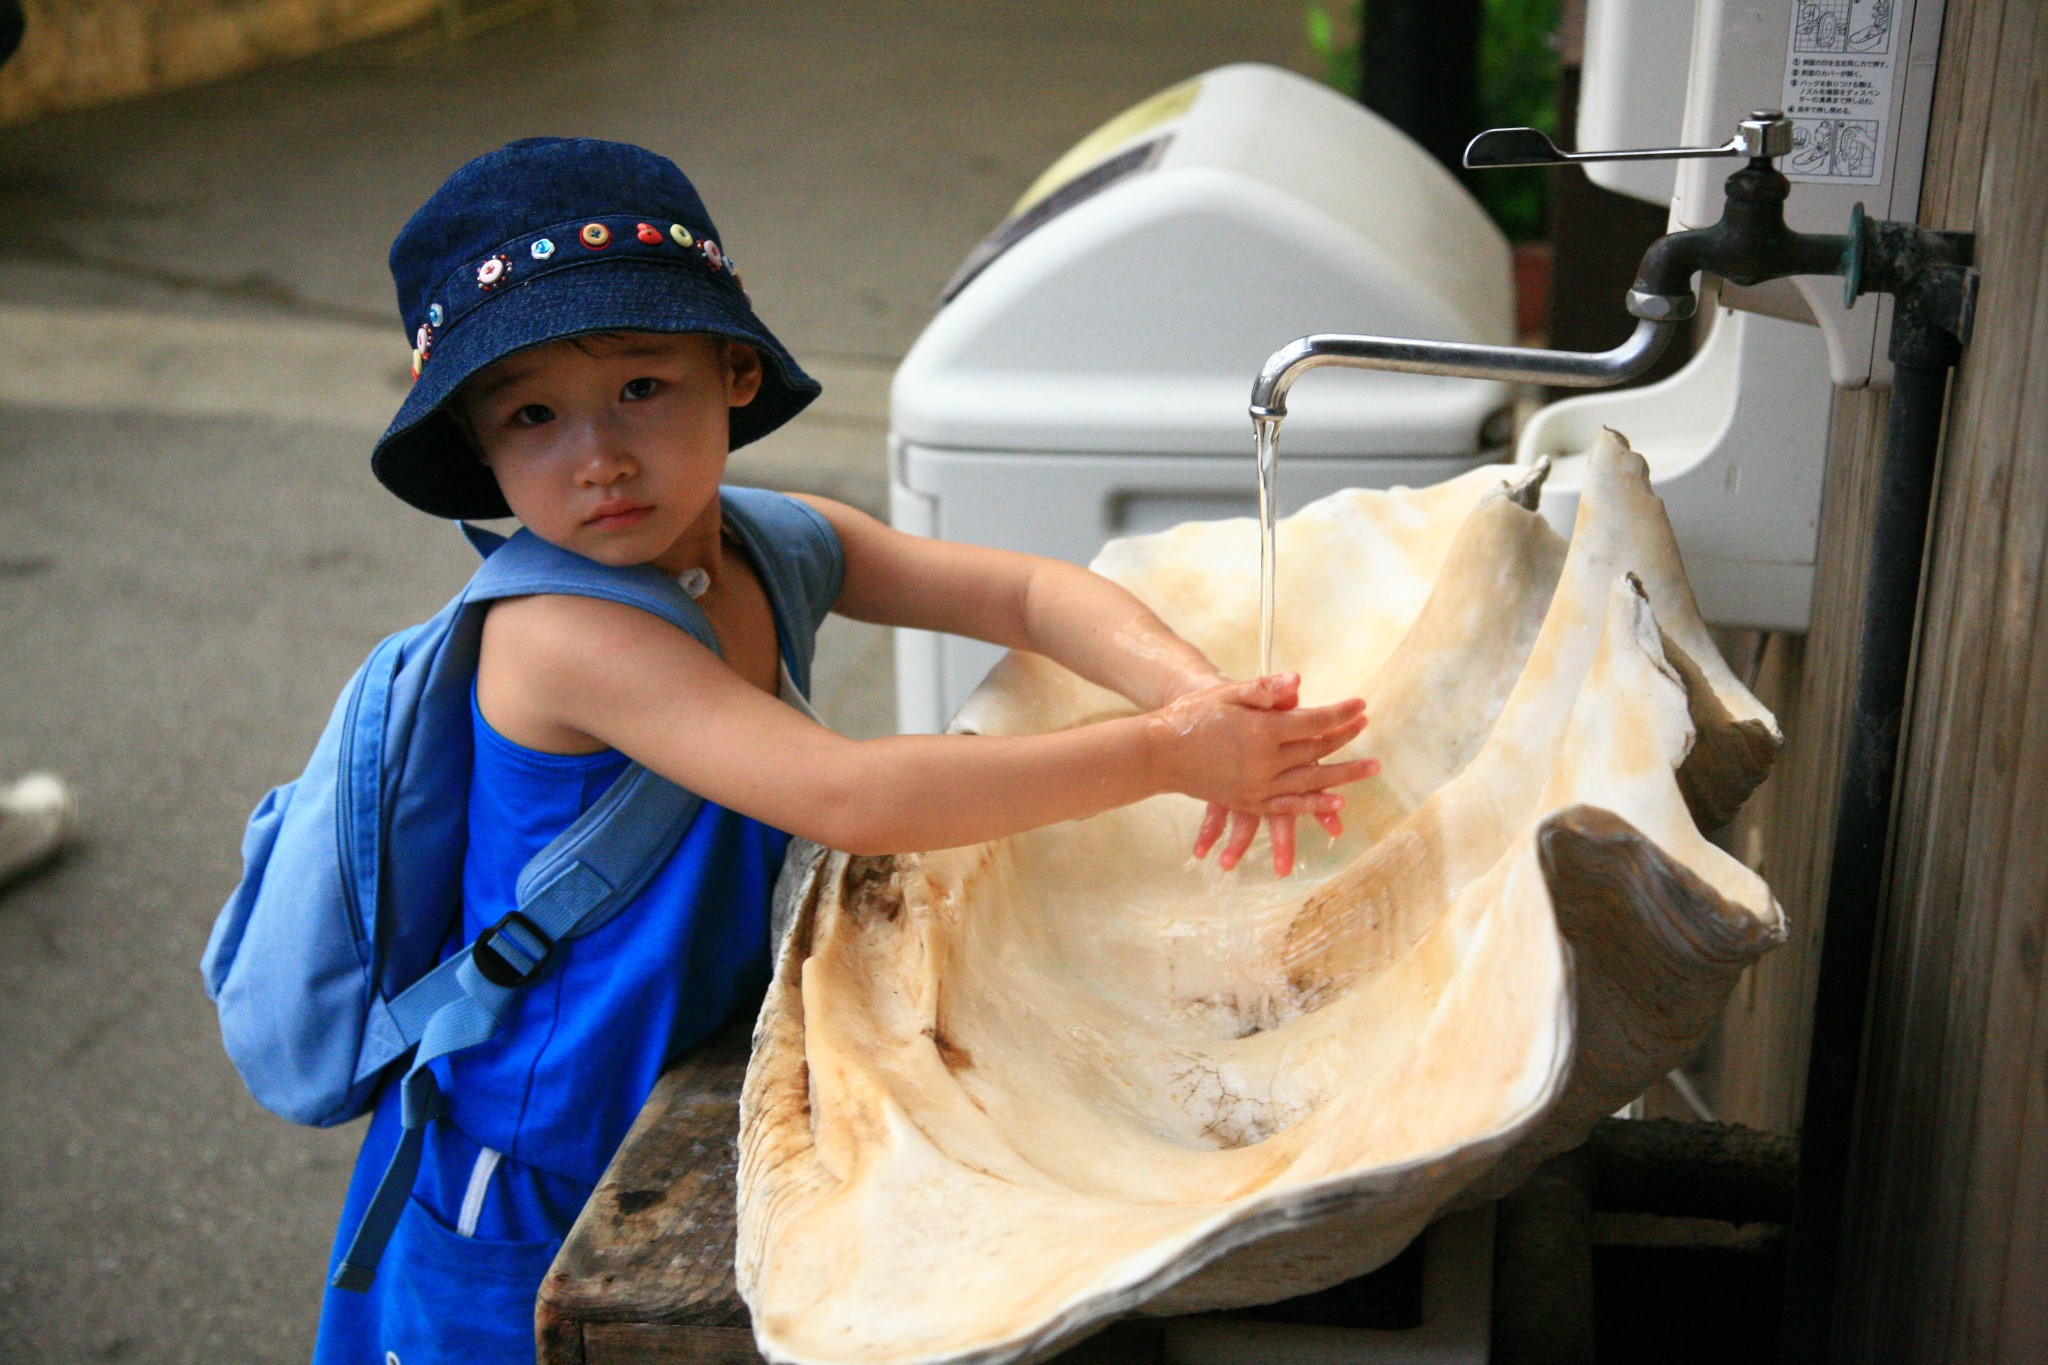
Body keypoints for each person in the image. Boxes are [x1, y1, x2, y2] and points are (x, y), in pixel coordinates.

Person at [311, 137, 1378, 1361]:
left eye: (641, 388)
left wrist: (1202, 698)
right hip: (537, 1151)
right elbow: (849, 794)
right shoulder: (560, 636)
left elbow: (1025, 597)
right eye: (532, 416)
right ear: (484, 452)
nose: (595, 454)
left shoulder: (774, 540)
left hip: (693, 1073)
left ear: (735, 373)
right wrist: (1163, 755)